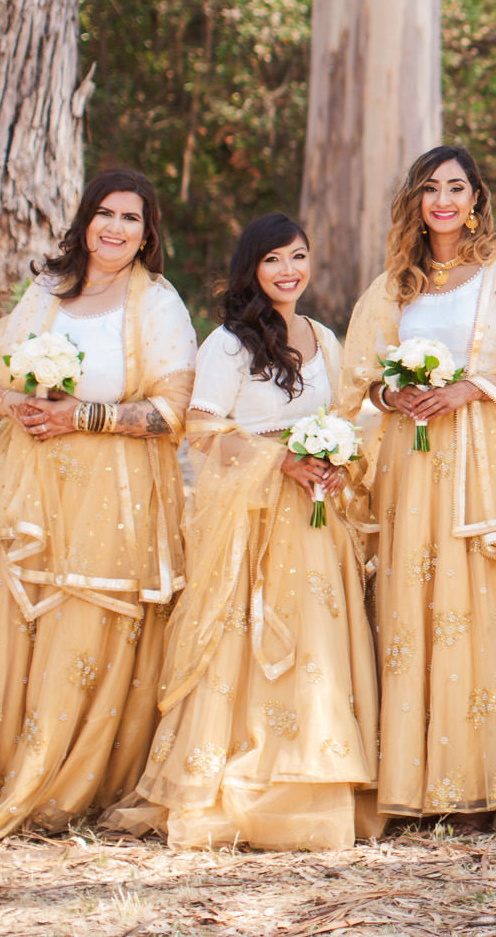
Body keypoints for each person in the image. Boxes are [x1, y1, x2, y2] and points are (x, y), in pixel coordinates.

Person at [0, 169, 196, 843]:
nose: (114, 227)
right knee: (5, 623)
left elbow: (172, 413)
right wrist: (16, 404)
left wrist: (87, 414)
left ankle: (57, 785)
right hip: (26, 489)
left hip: (110, 496)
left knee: (78, 630)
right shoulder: (45, 293)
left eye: (131, 218)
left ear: (148, 234)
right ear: (84, 221)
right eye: (104, 213)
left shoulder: (159, 304)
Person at [109, 214, 379, 849]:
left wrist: (338, 459)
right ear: (251, 270)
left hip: (319, 514)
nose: (289, 271)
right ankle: (241, 785)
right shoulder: (230, 342)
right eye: (274, 260)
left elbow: (345, 417)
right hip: (257, 518)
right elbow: (201, 430)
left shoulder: (323, 337)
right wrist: (279, 457)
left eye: (298, 257)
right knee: (253, 640)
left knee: (321, 638)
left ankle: (317, 786)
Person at [339, 145, 496, 825]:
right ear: (416, 200)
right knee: (411, 608)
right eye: (431, 188)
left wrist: (466, 387)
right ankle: (414, 783)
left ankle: (476, 785)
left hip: (480, 455)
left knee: (482, 606)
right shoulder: (393, 285)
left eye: (457, 187)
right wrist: (391, 392)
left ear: (477, 197)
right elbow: (358, 375)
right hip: (410, 459)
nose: (444, 200)